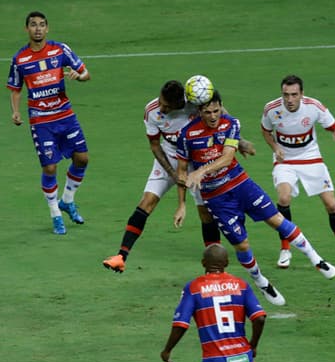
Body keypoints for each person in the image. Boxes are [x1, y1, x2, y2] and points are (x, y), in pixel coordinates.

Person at [178, 91, 335, 307]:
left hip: (240, 184)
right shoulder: (187, 135)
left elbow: (227, 158)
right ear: (199, 112)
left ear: (221, 107)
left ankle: (316, 259)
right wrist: (182, 204)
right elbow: (181, 171)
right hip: (216, 198)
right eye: (208, 112)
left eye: (216, 110)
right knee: (242, 244)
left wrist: (201, 171)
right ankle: (262, 283)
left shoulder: (231, 123)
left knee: (276, 220)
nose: (213, 116)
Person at [103, 80, 255, 273]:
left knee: (205, 213)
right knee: (147, 201)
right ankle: (121, 256)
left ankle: (214, 267)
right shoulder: (152, 111)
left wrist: (239, 141)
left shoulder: (195, 103)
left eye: (167, 106)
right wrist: (172, 173)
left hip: (197, 159)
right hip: (168, 157)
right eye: (161, 101)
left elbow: (219, 112)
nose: (162, 107)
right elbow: (155, 145)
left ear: (180, 104)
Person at [260, 74, 335, 269]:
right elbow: (265, 130)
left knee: (331, 205)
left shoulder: (314, 107)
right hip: (285, 160)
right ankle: (285, 250)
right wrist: (275, 148)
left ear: (302, 94)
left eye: (294, 95)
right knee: (284, 198)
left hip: (310, 158)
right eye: (286, 95)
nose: (289, 100)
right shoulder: (272, 109)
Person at [7, 11, 90, 235]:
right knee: (50, 167)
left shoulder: (60, 50)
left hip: (65, 115)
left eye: (42, 25)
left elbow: (85, 74)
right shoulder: (20, 59)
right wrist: (15, 112)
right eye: (33, 25)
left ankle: (67, 200)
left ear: (47, 28)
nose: (38, 29)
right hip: (41, 120)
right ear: (26, 29)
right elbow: (15, 89)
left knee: (82, 158)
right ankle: (55, 214)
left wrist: (77, 76)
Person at [161, 244, 266, 362]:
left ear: (203, 263)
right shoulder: (241, 285)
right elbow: (259, 318)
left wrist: (167, 350)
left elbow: (181, 324)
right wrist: (253, 345)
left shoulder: (194, 288)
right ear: (227, 263)